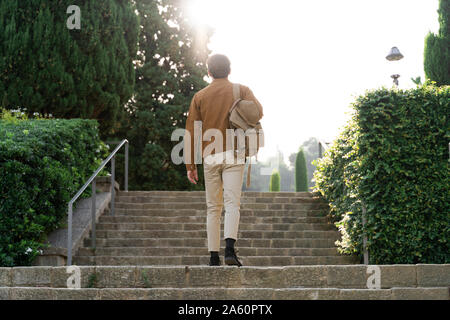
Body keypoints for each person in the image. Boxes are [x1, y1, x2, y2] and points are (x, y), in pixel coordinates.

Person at [184, 54, 263, 266]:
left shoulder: (200, 96)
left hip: (210, 155)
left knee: (213, 207)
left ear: (209, 72)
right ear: (229, 70)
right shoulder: (242, 90)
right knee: (232, 203)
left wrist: (190, 165)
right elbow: (258, 112)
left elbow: (191, 131)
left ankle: (213, 257)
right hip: (234, 153)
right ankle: (229, 250)